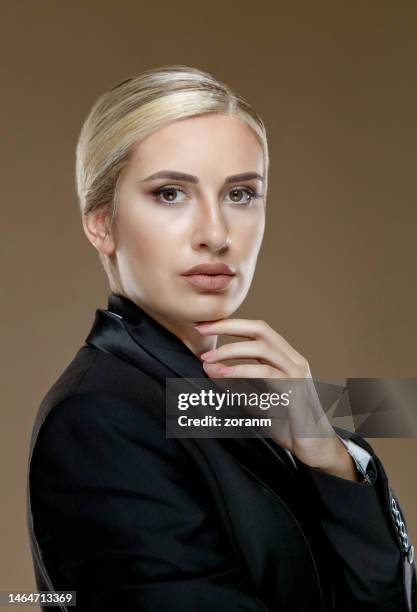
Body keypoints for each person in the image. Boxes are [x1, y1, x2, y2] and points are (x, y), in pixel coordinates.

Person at [26, 65, 416, 611]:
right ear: (101, 223)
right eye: (170, 193)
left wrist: (331, 457)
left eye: (240, 194)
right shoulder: (101, 418)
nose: (215, 234)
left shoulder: (226, 401)